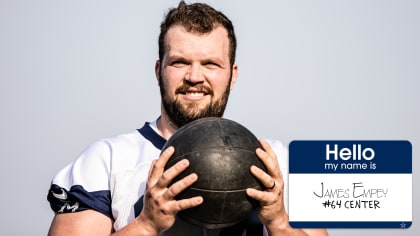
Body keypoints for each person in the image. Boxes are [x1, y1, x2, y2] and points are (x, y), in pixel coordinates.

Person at [47, 1, 328, 236]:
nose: (194, 77)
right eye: (180, 62)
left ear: (233, 75)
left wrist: (279, 222)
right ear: (159, 70)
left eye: (210, 64)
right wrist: (146, 225)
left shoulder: (279, 161)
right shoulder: (106, 160)